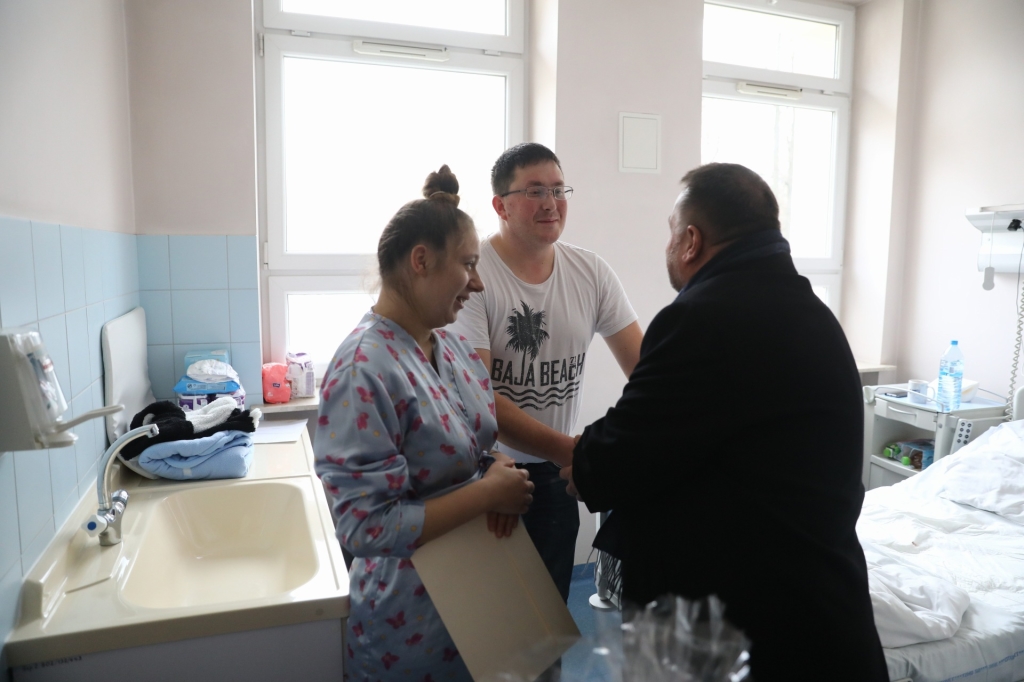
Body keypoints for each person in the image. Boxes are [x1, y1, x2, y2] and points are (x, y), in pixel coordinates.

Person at [561, 163, 888, 680]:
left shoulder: (703, 316)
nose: (668, 244)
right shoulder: (811, 312)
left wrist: (582, 460)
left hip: (739, 629)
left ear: (691, 240)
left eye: (671, 231)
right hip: (816, 606)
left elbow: (625, 452)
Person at [314, 166, 535, 682]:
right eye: (468, 264)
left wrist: (496, 468)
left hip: (478, 589)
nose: (478, 283)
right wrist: (486, 494)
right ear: (421, 261)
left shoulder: (450, 347)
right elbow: (366, 526)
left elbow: (465, 444)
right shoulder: (363, 369)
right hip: (411, 618)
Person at [447, 142, 643, 602]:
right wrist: (577, 453)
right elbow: (481, 399)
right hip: (489, 472)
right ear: (500, 205)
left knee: (549, 617)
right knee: (494, 619)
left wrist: (621, 445)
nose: (551, 203)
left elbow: (647, 370)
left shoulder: (591, 272)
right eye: (535, 191)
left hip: (557, 477)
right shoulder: (474, 278)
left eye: (559, 189)